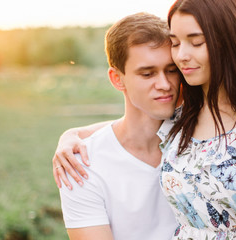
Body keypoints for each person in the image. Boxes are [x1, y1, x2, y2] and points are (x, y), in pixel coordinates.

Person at [53, 0, 236, 239]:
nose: (182, 56)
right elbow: (129, 129)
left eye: (195, 42)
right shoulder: (187, 115)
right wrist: (72, 135)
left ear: (226, 41)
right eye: (176, 43)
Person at [54, 12, 180, 240]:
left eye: (171, 70)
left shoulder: (200, 138)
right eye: (147, 73)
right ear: (116, 79)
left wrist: (72, 133)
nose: (164, 84)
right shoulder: (81, 165)